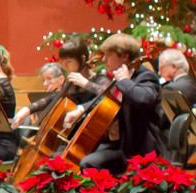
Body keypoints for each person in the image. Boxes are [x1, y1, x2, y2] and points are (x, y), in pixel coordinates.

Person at [68, 33, 162, 174]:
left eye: (108, 55)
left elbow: (145, 98)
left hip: (141, 149)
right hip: (121, 144)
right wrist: (81, 109)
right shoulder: (120, 76)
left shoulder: (144, 76)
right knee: (84, 160)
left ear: (124, 56)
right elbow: (108, 100)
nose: (104, 60)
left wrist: (124, 81)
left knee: (89, 164)